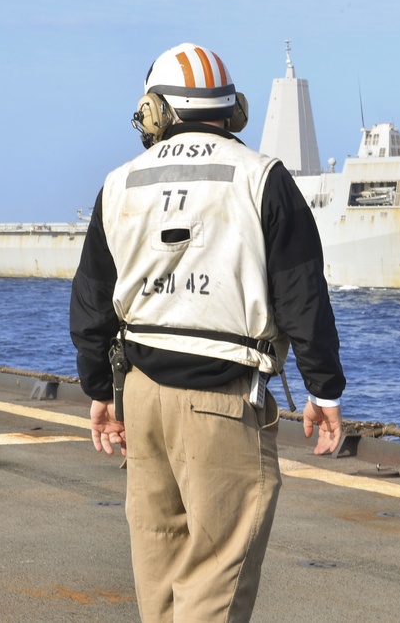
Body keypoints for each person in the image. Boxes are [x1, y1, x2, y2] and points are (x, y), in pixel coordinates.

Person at [70, 41, 346, 622]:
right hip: (221, 402)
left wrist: (100, 392)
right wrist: (323, 390)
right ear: (233, 110)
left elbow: (92, 300)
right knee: (217, 575)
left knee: (160, 568)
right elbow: (302, 293)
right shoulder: (262, 177)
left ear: (155, 111)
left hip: (140, 397)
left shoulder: (120, 183)